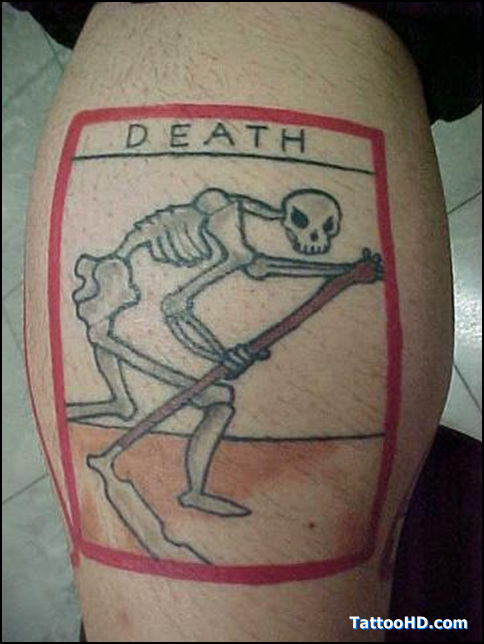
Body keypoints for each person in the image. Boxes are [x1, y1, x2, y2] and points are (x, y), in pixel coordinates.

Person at [21, 2, 479, 641]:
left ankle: (151, 467)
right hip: (120, 296)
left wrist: (339, 274)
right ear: (284, 218)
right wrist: (227, 348)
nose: (311, 239)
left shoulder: (247, 229)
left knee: (200, 403)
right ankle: (129, 456)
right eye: (306, 228)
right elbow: (182, 303)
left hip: (138, 294)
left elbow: (255, 269)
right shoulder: (229, 229)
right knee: (211, 397)